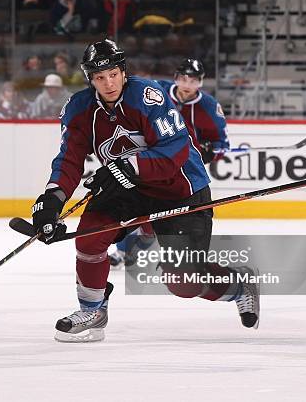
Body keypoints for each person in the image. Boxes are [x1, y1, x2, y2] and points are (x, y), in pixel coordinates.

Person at [30, 39, 260, 343]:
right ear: (90, 79)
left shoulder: (148, 97)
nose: (108, 83)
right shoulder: (79, 109)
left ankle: (238, 285)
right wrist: (51, 200)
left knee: (182, 282)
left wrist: (126, 167)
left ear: (123, 71)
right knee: (90, 236)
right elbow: (69, 160)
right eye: (99, 78)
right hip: (127, 187)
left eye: (113, 74)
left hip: (179, 187)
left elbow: (175, 150)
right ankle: (93, 310)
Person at [110, 58, 230, 270]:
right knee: (138, 211)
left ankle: (133, 250)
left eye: (193, 80)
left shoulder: (210, 107)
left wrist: (211, 152)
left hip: (185, 171)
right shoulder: (157, 91)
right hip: (153, 162)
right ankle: (122, 251)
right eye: (183, 78)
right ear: (175, 78)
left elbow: (222, 144)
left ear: (201, 82)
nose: (187, 84)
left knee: (156, 220)